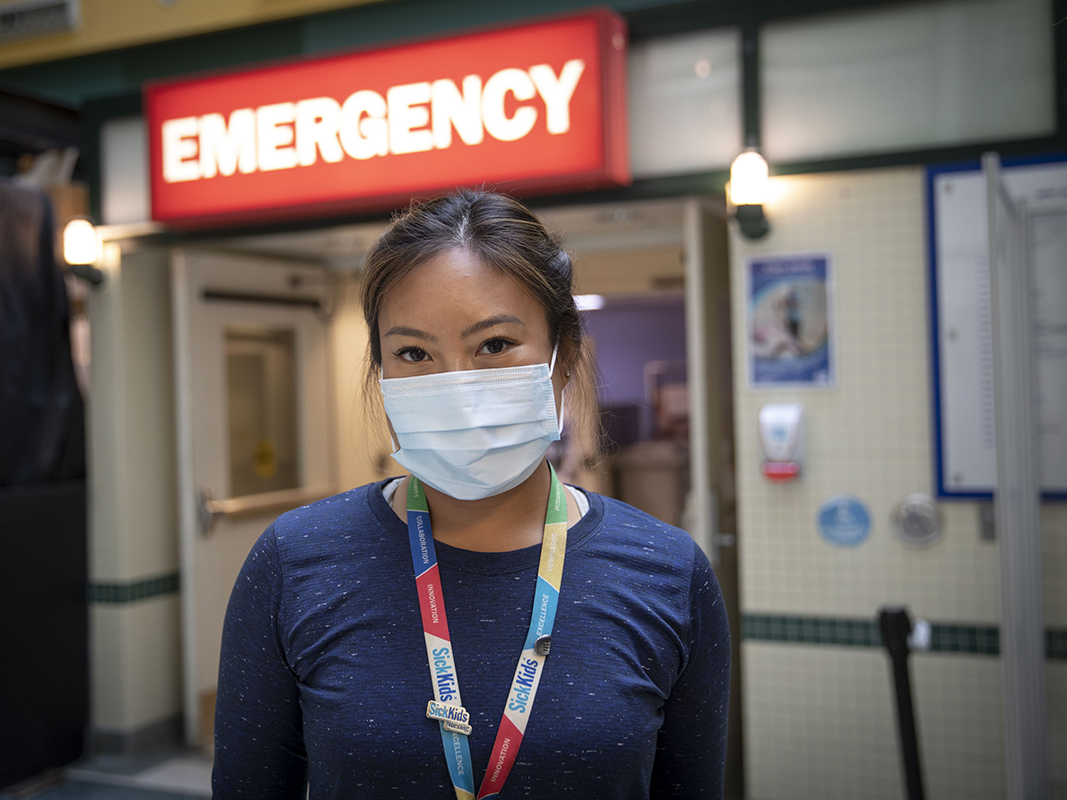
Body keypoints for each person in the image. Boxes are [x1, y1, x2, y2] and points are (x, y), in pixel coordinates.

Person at [212, 190, 730, 800]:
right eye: (413, 353)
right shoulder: (295, 562)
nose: (455, 385)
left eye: (494, 345)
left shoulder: (666, 573)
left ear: (561, 359)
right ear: (382, 372)